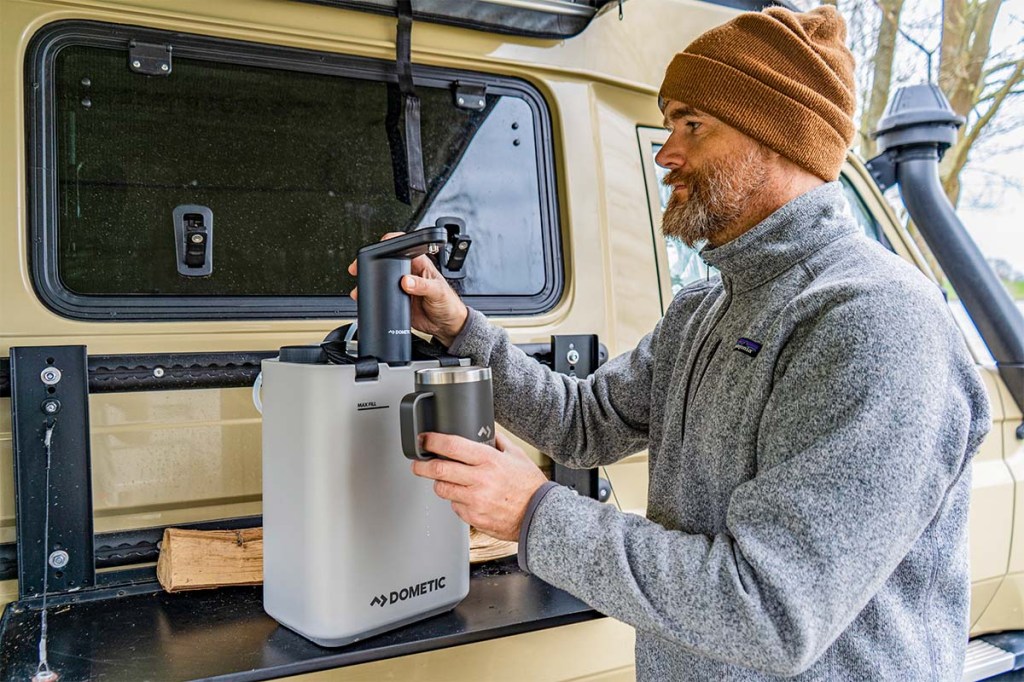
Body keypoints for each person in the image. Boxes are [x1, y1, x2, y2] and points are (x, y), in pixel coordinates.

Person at [349, 6, 990, 680]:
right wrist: (458, 327)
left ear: (777, 137)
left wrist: (533, 512)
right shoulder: (706, 308)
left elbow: (768, 609)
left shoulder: (876, 324)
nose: (665, 153)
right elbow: (584, 424)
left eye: (692, 124)